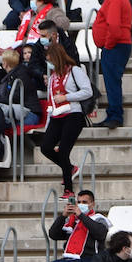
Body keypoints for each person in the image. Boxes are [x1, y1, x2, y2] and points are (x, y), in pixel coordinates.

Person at [40, 42, 92, 195]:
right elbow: (51, 101)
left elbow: (87, 91)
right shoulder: (52, 77)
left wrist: (67, 97)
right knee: (45, 147)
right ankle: (69, 168)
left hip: (73, 114)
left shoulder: (75, 71)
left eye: (50, 60)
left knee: (63, 150)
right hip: (56, 115)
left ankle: (68, 189)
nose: (49, 63)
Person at [39, 190, 107, 262]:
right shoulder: (72, 221)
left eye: (84, 202)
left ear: (92, 204)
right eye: (78, 202)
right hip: (69, 258)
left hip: (89, 258)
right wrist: (63, 216)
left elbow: (100, 234)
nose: (80, 204)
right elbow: (53, 234)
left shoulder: (99, 218)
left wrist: (81, 216)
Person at [90, 0, 131, 127]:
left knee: (112, 82)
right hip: (117, 45)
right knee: (112, 82)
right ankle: (112, 115)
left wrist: (108, 45)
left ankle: (115, 116)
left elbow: (113, 26)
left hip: (115, 46)